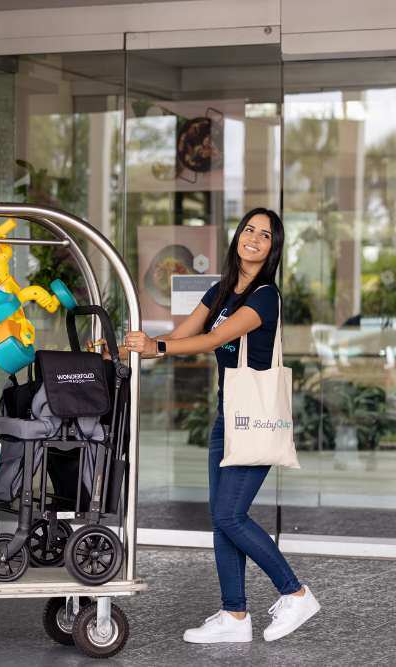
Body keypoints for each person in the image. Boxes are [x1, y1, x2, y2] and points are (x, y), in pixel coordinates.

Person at [124, 208, 320, 644]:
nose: (253, 238)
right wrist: (125, 351)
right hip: (225, 418)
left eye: (264, 235)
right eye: (249, 229)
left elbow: (214, 339)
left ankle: (296, 592)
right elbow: (184, 334)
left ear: (273, 248)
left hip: (253, 420)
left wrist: (158, 345)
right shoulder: (221, 289)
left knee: (231, 515)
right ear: (238, 237)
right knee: (222, 518)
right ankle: (234, 615)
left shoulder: (266, 296)